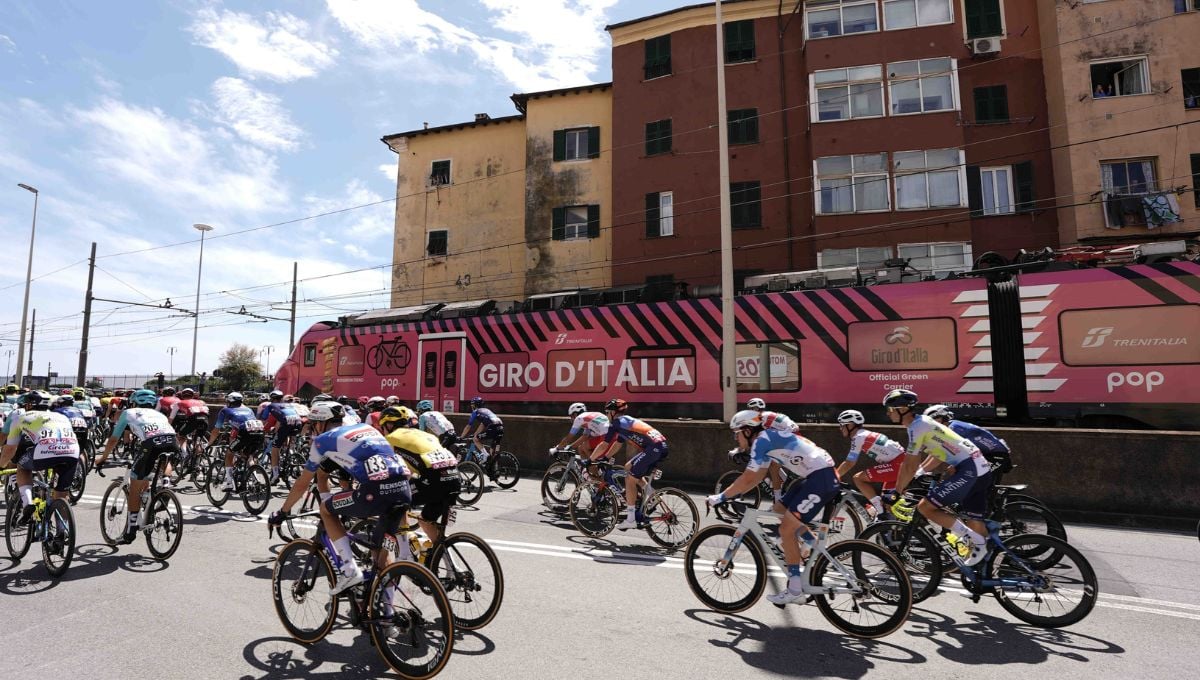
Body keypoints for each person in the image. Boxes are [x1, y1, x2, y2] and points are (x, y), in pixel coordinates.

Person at [269, 402, 413, 594]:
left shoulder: (323, 441)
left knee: (326, 510)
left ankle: (349, 569)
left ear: (321, 423)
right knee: (380, 556)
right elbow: (325, 473)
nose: (312, 430)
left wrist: (283, 512)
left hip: (374, 493)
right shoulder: (366, 428)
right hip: (403, 490)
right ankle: (386, 615)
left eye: (313, 425)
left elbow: (302, 483)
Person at [709, 409, 838, 605]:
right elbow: (757, 477)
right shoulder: (766, 439)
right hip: (817, 475)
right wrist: (734, 492)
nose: (736, 439)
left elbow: (749, 478)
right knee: (779, 510)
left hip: (821, 478)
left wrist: (720, 497)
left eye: (736, 433)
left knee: (786, 529)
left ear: (747, 430)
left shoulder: (762, 441)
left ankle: (795, 589)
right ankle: (817, 549)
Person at [884, 389, 992, 566]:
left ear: (902, 409)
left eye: (890, 409)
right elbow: (935, 456)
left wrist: (897, 491)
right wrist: (918, 473)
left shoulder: (917, 427)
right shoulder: (922, 424)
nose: (888, 414)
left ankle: (975, 541)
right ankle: (987, 566)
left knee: (926, 507)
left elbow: (909, 464)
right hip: (978, 467)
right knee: (974, 518)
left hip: (969, 468)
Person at [94, 389, 179, 542]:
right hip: (172, 441)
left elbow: (114, 439)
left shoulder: (128, 412)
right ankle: (166, 486)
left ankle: (131, 529)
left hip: (151, 444)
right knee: (165, 461)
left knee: (134, 486)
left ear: (135, 402)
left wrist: (103, 458)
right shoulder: (159, 414)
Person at [378, 407, 460, 545]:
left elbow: (389, 471)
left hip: (435, 481)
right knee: (424, 520)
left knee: (397, 498)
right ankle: (439, 556)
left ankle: (404, 552)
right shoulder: (424, 434)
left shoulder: (391, 439)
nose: (383, 431)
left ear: (389, 425)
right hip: (455, 479)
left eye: (382, 427)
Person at [0, 391, 80, 526]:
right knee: (61, 495)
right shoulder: (61, 416)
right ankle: (62, 533)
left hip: (46, 450)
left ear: (30, 405)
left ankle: (28, 504)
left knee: (22, 467)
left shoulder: (21, 417)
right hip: (72, 452)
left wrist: (1, 465)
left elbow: (10, 449)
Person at [593, 399, 669, 531]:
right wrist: (605, 457)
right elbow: (618, 443)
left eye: (607, 412)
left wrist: (590, 459)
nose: (606, 415)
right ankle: (653, 497)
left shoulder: (617, 423)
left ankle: (631, 519)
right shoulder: (626, 422)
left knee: (629, 479)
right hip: (660, 446)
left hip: (653, 449)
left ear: (612, 412)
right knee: (628, 467)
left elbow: (604, 444)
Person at [833, 409, 905, 517]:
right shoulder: (863, 435)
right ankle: (891, 526)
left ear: (850, 425)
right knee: (888, 503)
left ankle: (879, 512)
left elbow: (849, 463)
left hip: (898, 464)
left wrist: (834, 478)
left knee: (858, 478)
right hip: (899, 463)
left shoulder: (858, 437)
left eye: (842, 425)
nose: (840, 428)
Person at [923, 405, 1013, 477]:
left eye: (933, 420)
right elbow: (936, 452)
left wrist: (920, 471)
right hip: (982, 455)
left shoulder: (954, 428)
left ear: (944, 418)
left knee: (974, 481)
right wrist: (920, 468)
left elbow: (940, 456)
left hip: (996, 457)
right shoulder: (948, 428)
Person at [208, 392, 266, 491]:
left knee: (229, 454)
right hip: (259, 432)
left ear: (229, 401)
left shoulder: (225, 410)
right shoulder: (248, 409)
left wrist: (209, 443)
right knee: (249, 456)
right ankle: (255, 478)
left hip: (245, 433)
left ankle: (229, 482)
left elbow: (216, 430)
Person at [260, 390, 302, 484]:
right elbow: (282, 419)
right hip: (298, 424)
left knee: (275, 449)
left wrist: (262, 430)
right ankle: (290, 455)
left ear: (272, 399)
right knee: (286, 439)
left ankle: (275, 475)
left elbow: (263, 421)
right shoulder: (289, 405)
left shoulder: (270, 406)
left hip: (286, 424)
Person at [460, 397, 504, 471]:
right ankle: (494, 472)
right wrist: (476, 434)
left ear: (475, 405)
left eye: (472, 405)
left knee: (475, 439)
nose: (472, 407)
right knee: (492, 453)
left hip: (493, 427)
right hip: (501, 428)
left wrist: (461, 437)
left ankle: (485, 455)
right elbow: (482, 424)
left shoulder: (476, 412)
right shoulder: (487, 410)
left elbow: (468, 426)